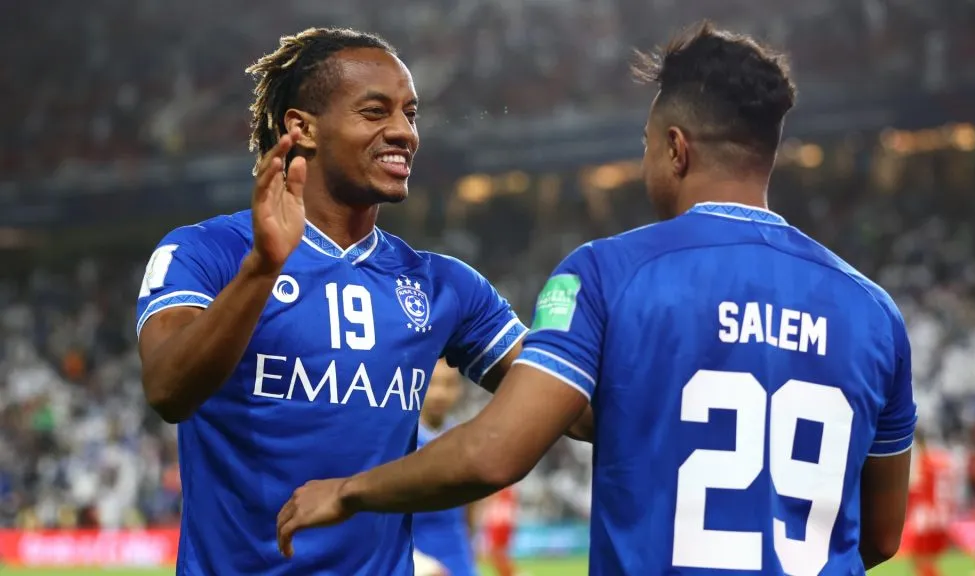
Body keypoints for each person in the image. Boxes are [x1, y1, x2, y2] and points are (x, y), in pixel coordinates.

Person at [275, 22, 916, 574]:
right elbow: (881, 536)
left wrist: (348, 491)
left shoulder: (608, 273)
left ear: (675, 149)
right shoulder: (876, 313)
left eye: (644, 145)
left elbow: (493, 453)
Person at [135, 27, 542, 575]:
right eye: (375, 112)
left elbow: (570, 404)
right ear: (301, 128)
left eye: (411, 114)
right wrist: (262, 269)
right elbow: (167, 391)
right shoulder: (207, 252)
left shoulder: (446, 285)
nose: (404, 133)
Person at [412, 361, 479, 576]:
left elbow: (471, 507)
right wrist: (419, 562)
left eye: (449, 384)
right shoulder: (402, 440)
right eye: (433, 384)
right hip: (417, 558)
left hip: (458, 558)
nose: (440, 393)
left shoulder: (464, 437)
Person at [904, 431, 952, 576]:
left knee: (920, 557)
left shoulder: (924, 461)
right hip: (940, 513)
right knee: (926, 559)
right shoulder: (943, 461)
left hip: (925, 514)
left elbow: (915, 484)